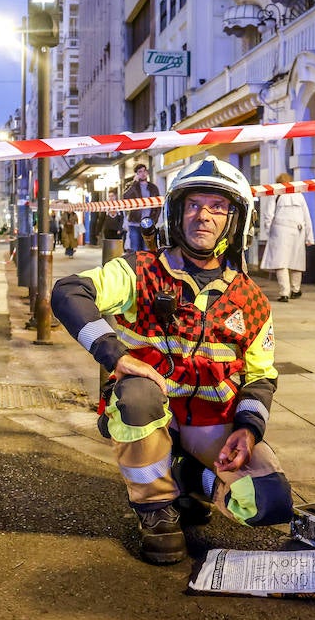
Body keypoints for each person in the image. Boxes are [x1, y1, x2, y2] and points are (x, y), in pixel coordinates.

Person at [51, 156, 293, 565]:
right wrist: (116, 355)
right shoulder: (140, 271)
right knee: (137, 397)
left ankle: (186, 477)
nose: (204, 216)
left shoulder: (252, 299)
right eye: (194, 205)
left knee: (268, 502)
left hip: (210, 424)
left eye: (218, 207)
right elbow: (68, 291)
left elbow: (260, 378)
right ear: (176, 214)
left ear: (236, 222)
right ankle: (155, 507)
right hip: (150, 409)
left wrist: (249, 432)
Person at [259, 172, 315, 303]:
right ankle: (296, 290)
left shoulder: (277, 194)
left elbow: (268, 214)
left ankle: (285, 292)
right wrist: (309, 237)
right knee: (296, 261)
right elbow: (307, 217)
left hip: (280, 230)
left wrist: (268, 230)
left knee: (281, 262)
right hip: (298, 230)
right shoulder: (299, 195)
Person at [122, 162, 161, 252]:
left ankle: (146, 266)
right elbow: (125, 197)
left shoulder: (153, 187)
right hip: (134, 222)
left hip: (148, 223)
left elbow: (158, 206)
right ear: (137, 174)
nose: (143, 173)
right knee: (135, 249)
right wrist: (134, 183)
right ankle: (136, 266)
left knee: (147, 249)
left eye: (144, 171)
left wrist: (154, 220)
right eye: (140, 171)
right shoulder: (131, 186)